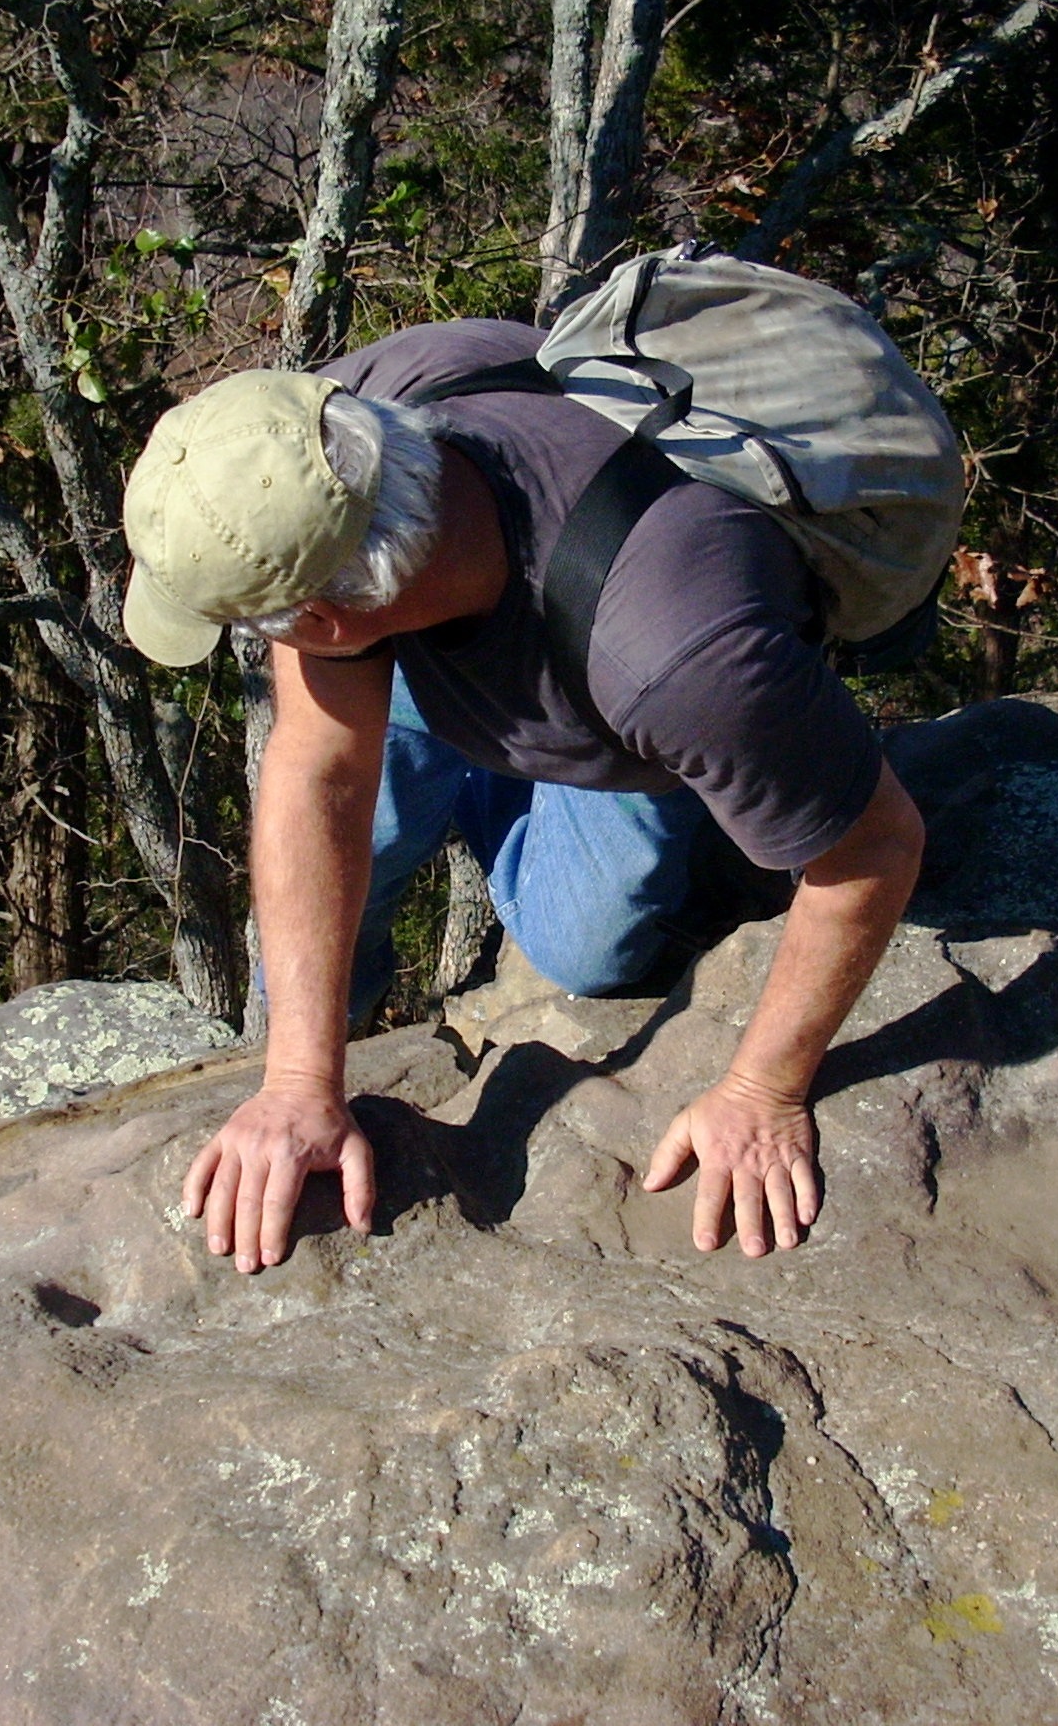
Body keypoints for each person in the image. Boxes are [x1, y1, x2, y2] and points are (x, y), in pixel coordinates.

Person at [119, 319, 925, 1275]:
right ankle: (347, 986)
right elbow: (319, 765)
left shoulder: (678, 663)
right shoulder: (326, 439)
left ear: (321, 622)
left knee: (580, 947)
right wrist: (298, 1080)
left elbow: (874, 847)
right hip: (447, 612)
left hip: (615, 700)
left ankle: (499, 792)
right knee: (353, 826)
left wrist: (762, 1090)